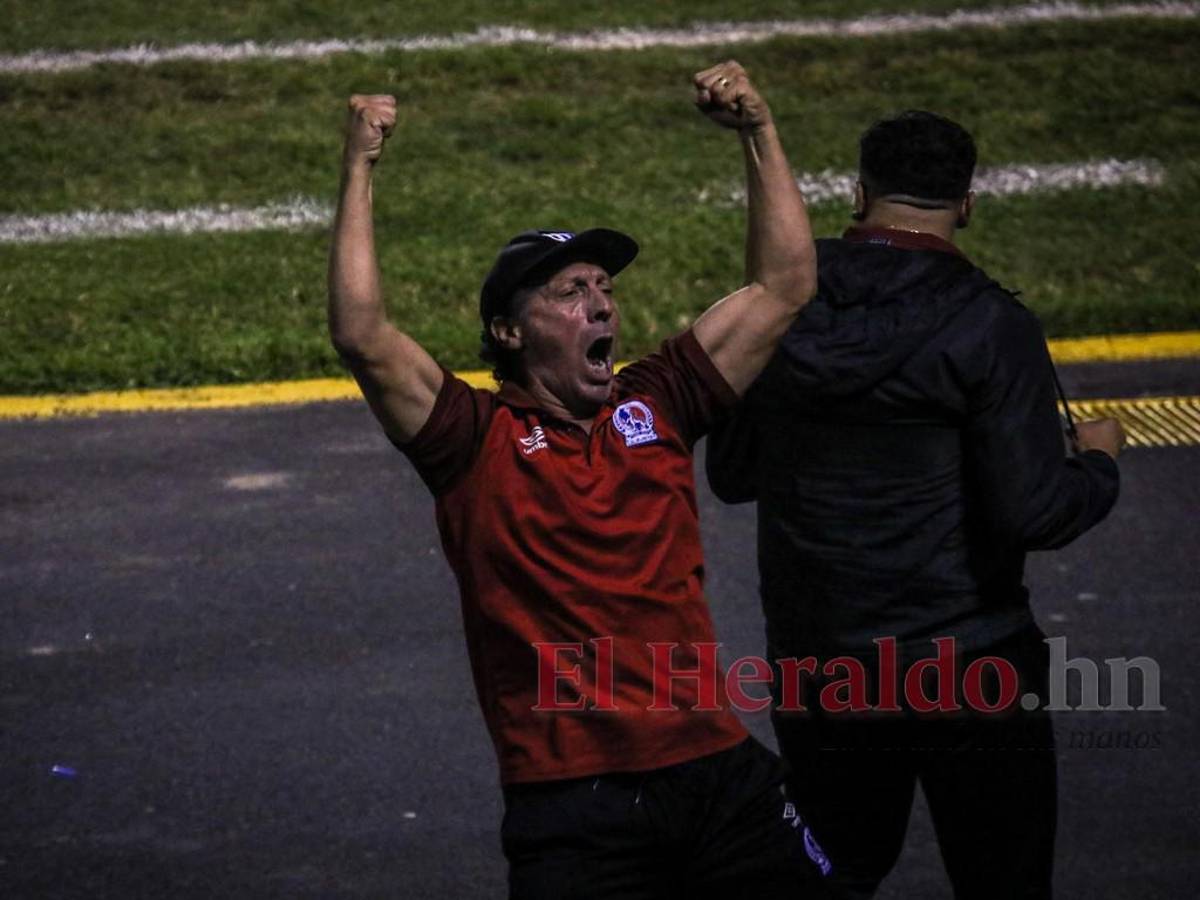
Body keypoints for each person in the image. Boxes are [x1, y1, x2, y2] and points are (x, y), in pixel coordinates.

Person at [327, 62, 832, 899]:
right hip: (574, 807)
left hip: (716, 773)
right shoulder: (471, 441)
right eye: (570, 292)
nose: (601, 305)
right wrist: (359, 169)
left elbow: (784, 288)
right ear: (508, 331)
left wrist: (759, 131)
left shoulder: (658, 402)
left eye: (604, 288)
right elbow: (363, 332)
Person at [705, 110, 1125, 899]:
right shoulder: (992, 324)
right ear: (966, 205)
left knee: (834, 870)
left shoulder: (782, 309)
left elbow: (731, 471)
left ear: (859, 195)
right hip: (971, 661)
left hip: (821, 660)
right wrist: (1098, 464)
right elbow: (1035, 512)